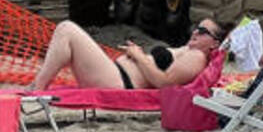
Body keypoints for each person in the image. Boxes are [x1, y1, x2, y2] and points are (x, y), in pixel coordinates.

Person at [28, 16, 229, 92]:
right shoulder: (190, 51)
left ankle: (38, 87)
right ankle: (39, 85)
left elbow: (165, 83)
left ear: (214, 44)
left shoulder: (197, 57)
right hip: (115, 75)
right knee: (68, 36)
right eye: (196, 28)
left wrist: (139, 57)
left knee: (67, 29)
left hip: (118, 81)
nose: (195, 32)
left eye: (202, 32)